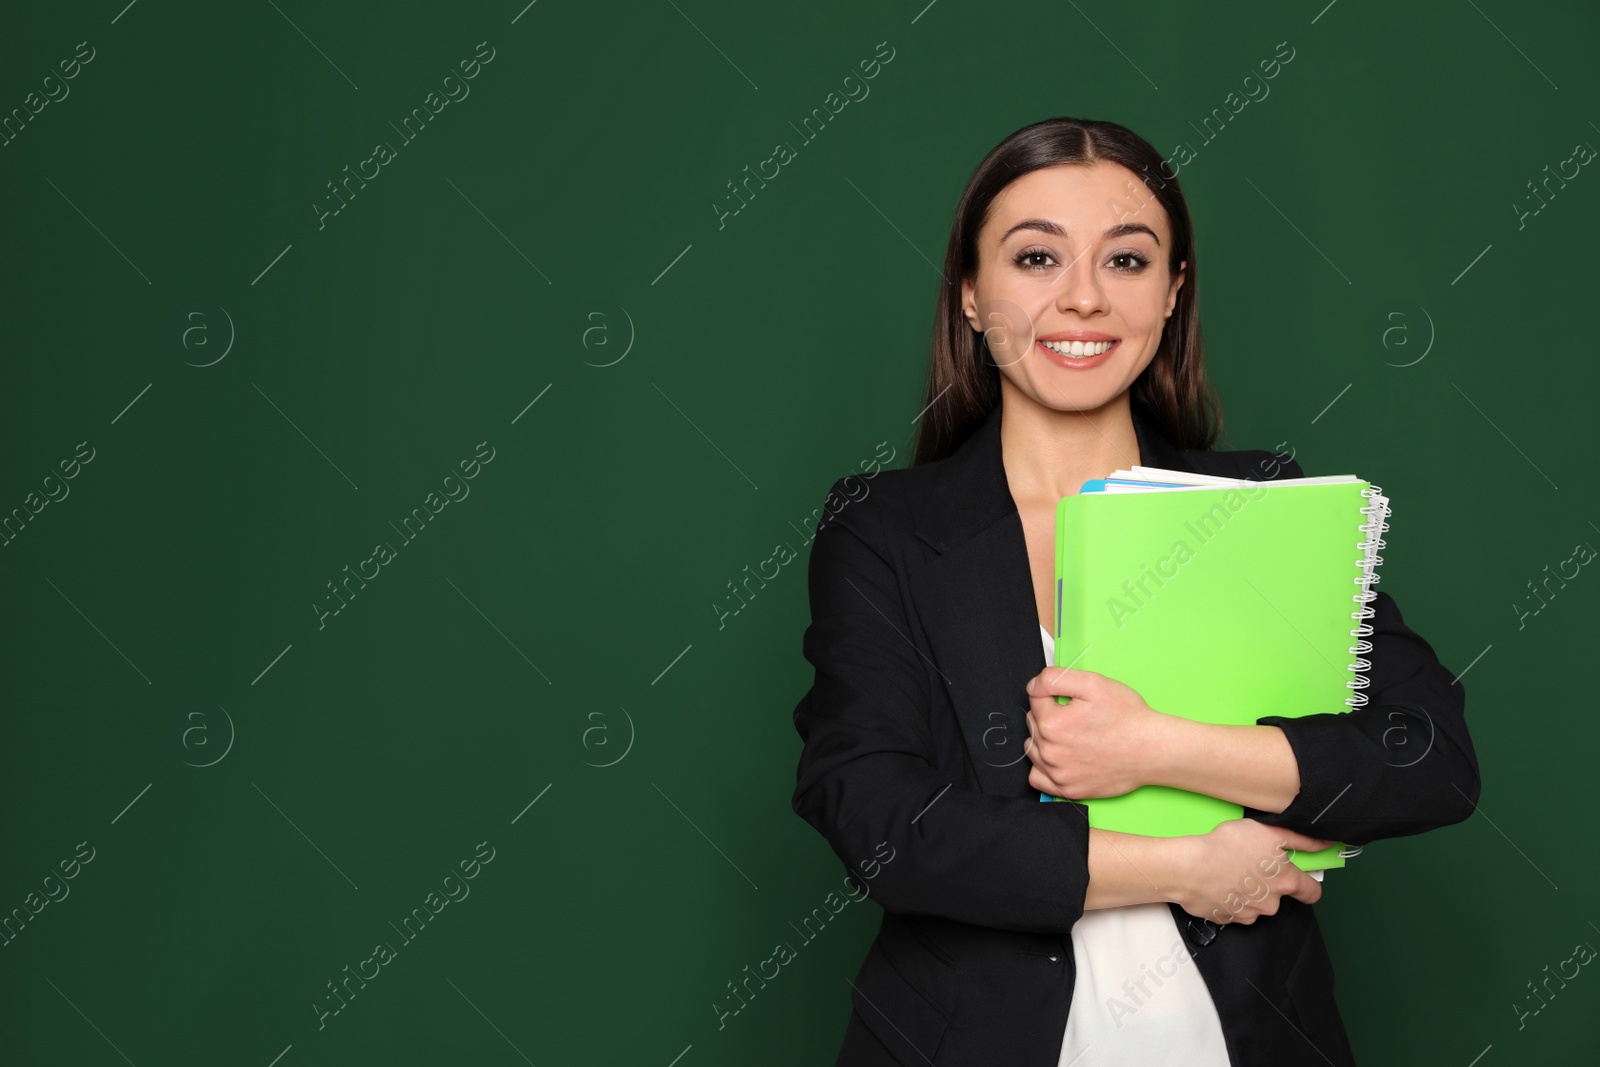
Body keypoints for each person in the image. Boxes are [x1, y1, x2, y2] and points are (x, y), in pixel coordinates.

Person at [789, 116, 1481, 1067]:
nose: (1082, 299)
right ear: (970, 294)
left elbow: (1430, 756)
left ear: (1171, 295)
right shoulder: (882, 529)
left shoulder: (1265, 501)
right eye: (1036, 258)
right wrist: (1192, 869)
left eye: (1126, 260)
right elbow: (878, 820)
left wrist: (1156, 747)